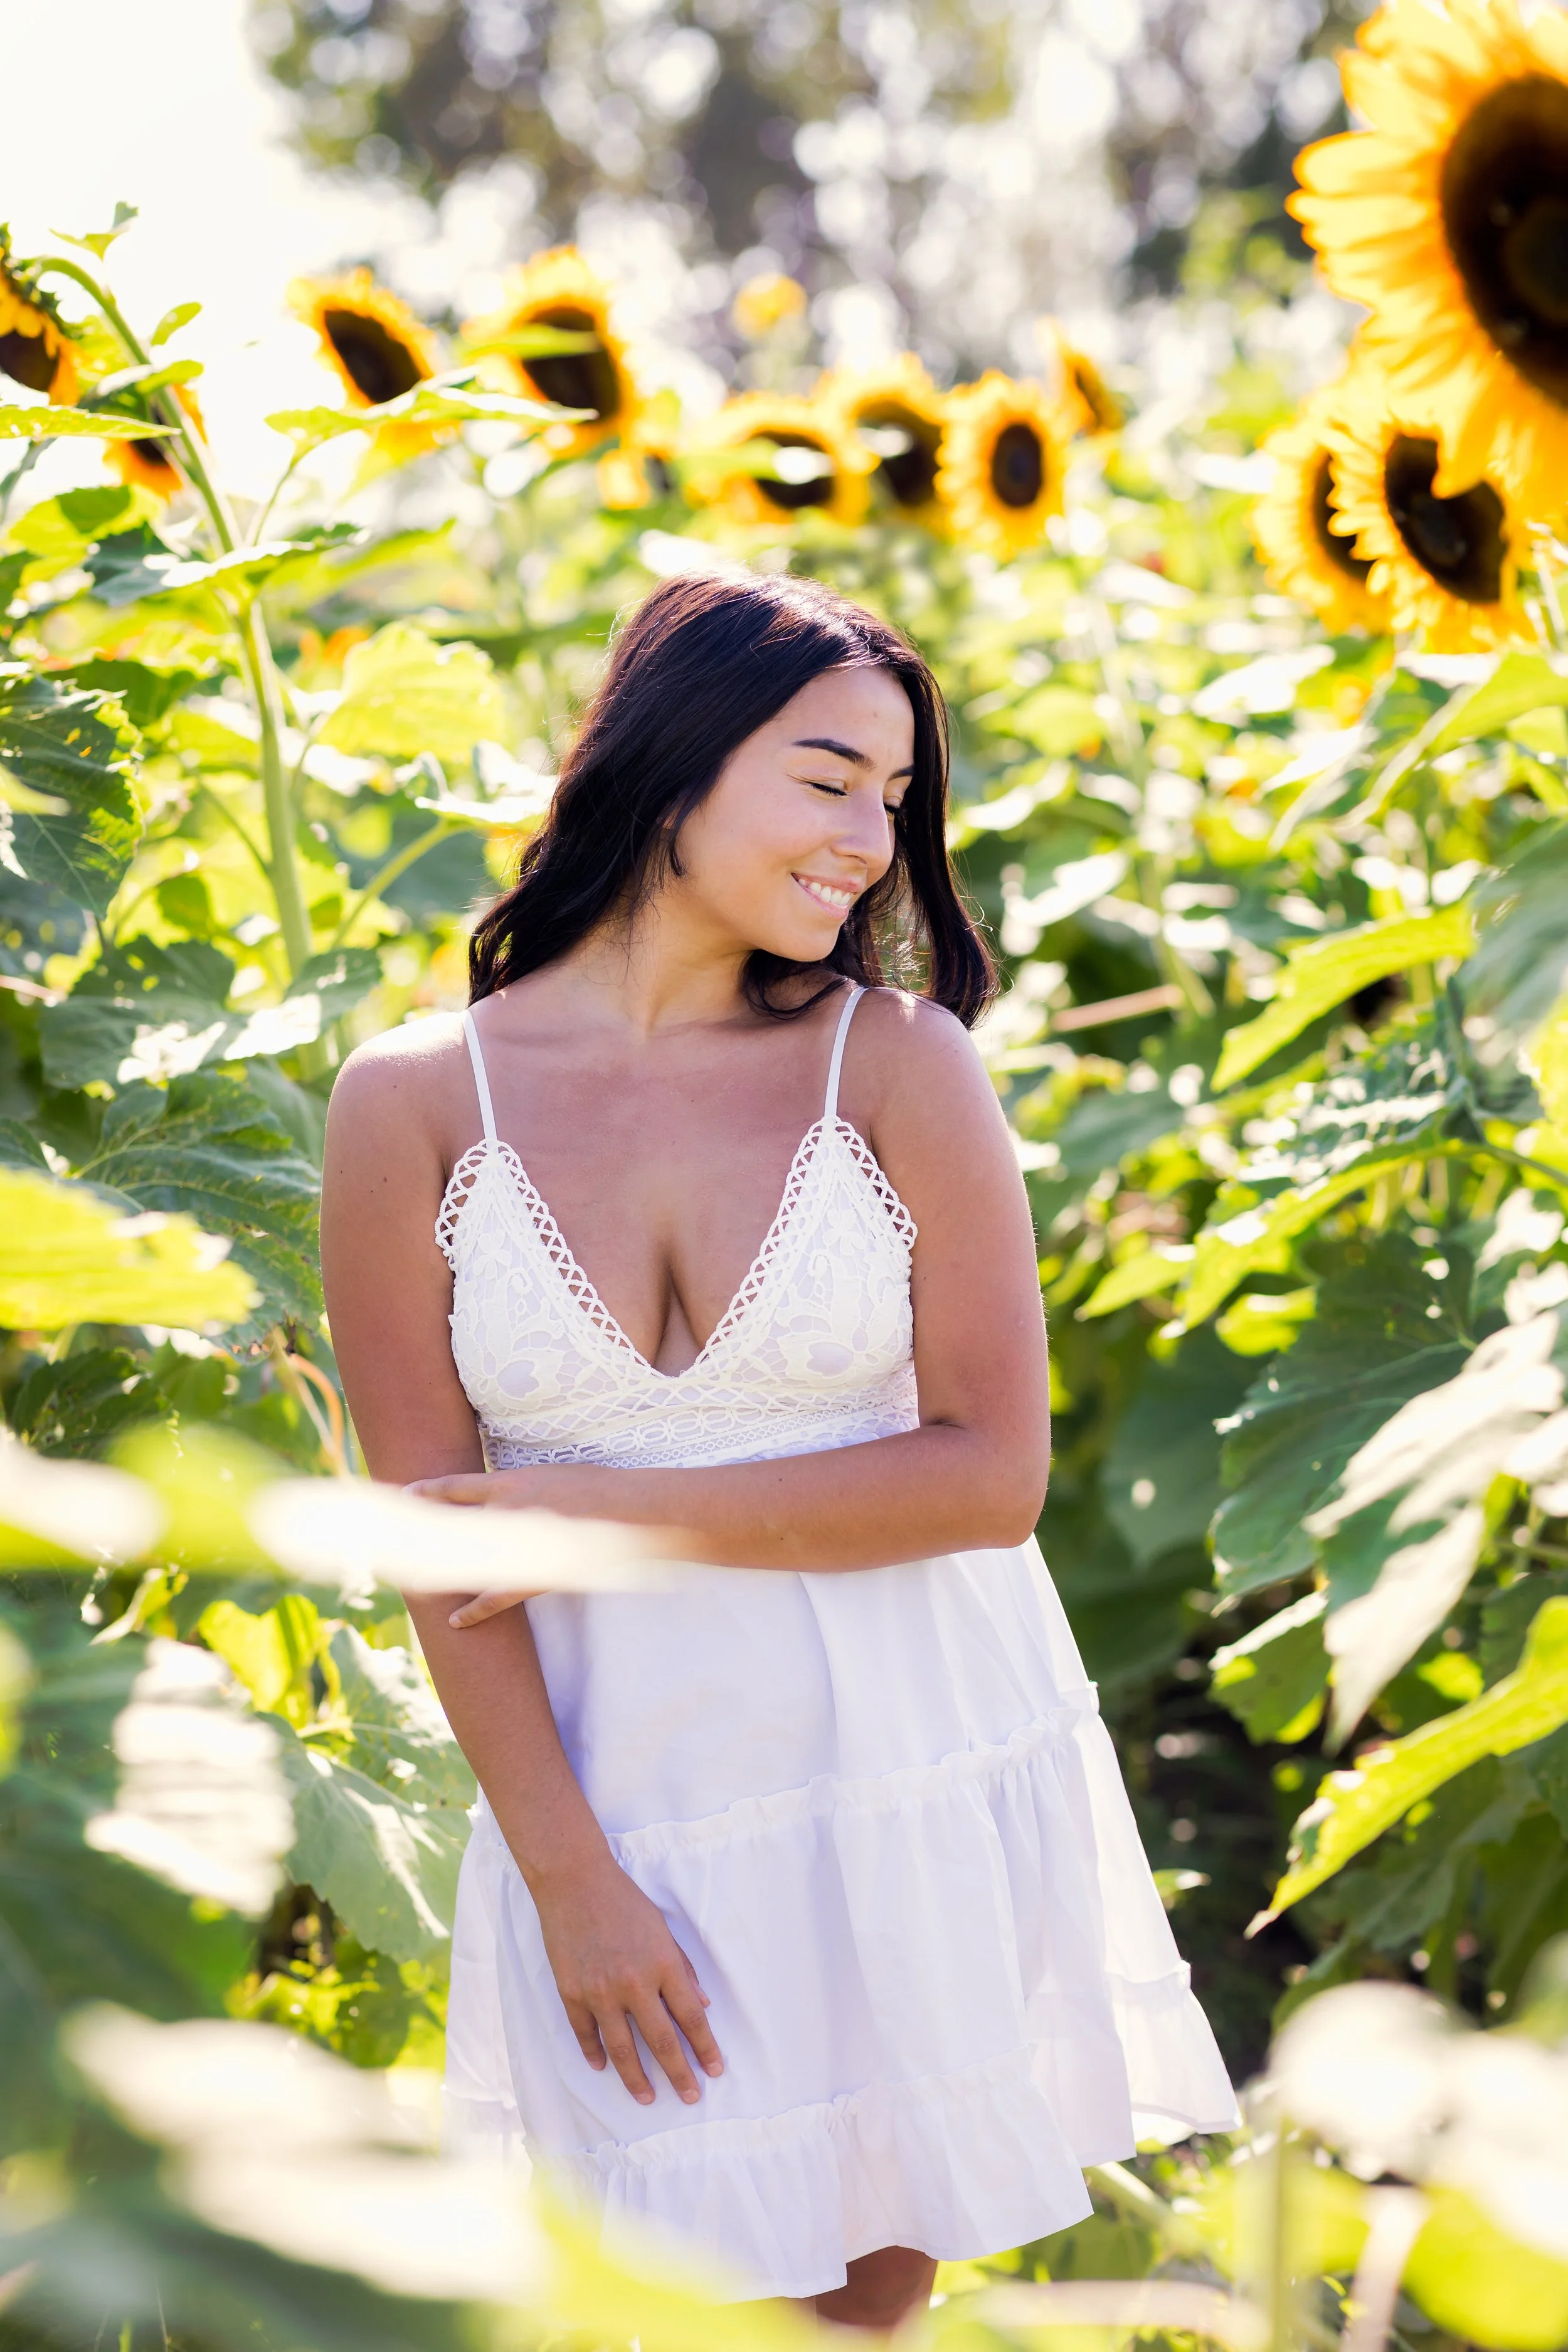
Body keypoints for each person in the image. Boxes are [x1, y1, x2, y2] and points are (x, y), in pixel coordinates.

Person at [320, 569, 1237, 2327]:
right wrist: (570, 1880)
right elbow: (439, 1545)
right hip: (611, 1797)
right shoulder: (415, 1097)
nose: (869, 842)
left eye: (894, 800)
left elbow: (989, 1475)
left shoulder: (900, 1068)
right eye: (827, 779)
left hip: (904, 1754)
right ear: (668, 764)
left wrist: (584, 1508)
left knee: (848, 2315)